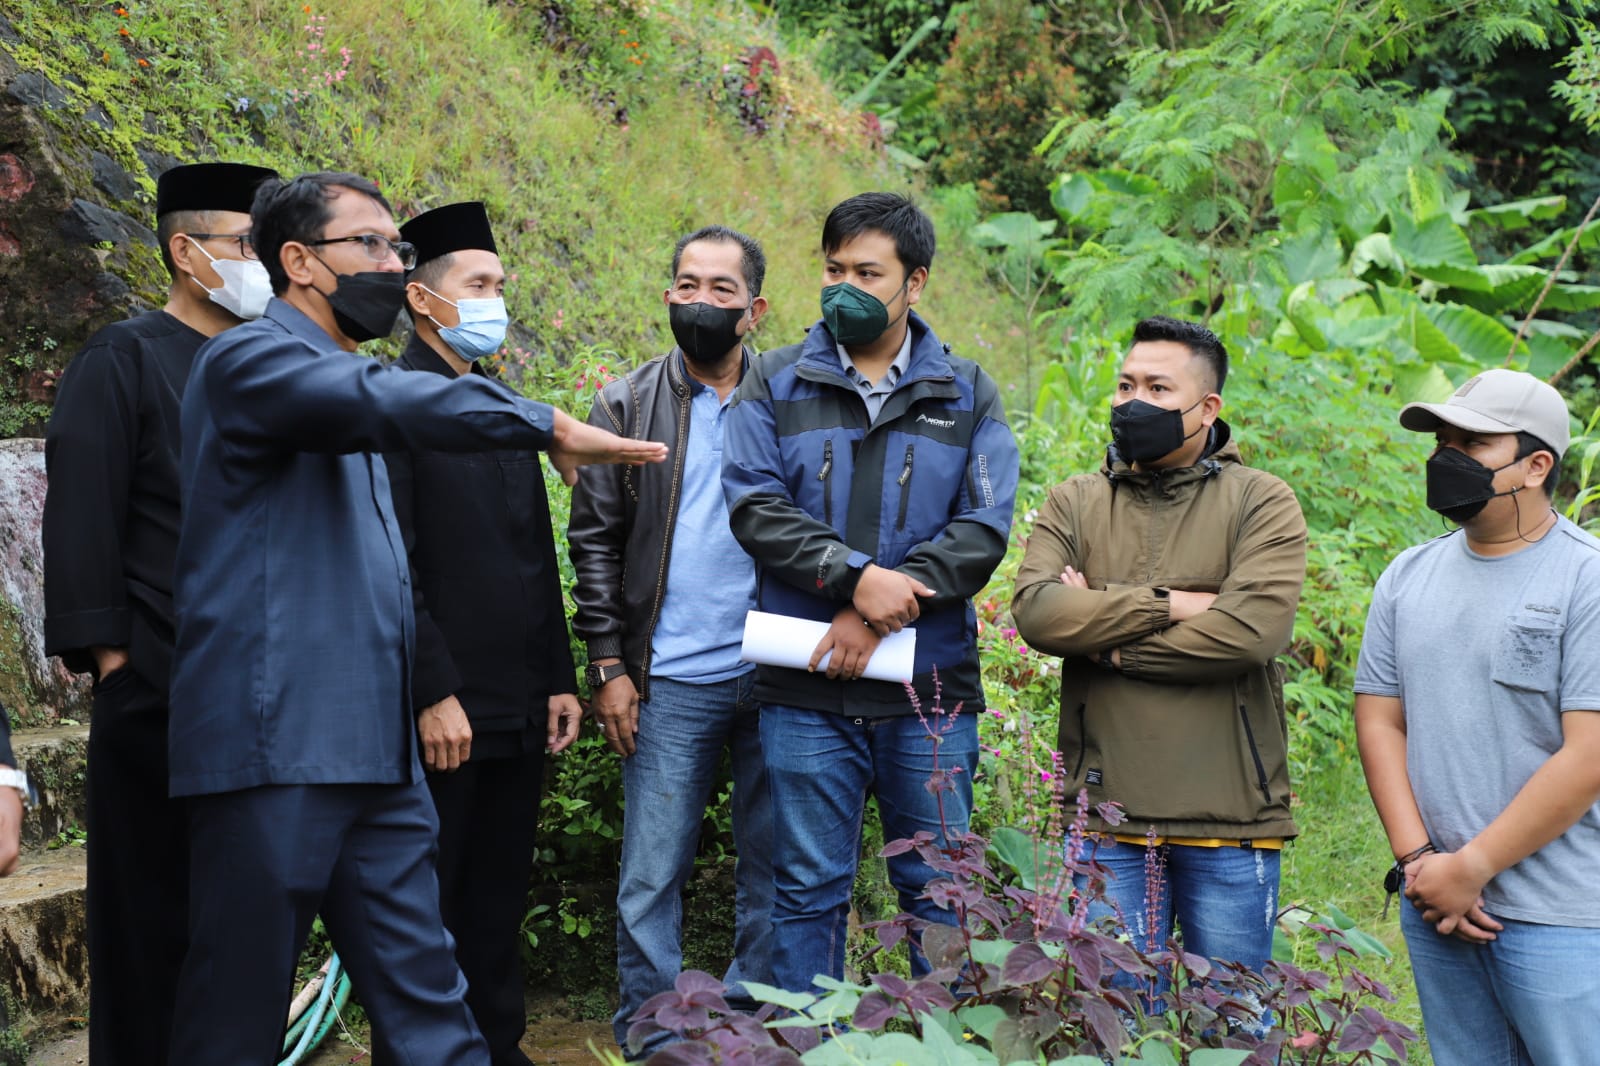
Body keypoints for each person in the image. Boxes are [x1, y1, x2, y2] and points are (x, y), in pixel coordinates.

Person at [164, 171, 666, 1066]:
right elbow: (384, 401)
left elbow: (389, 576)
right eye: (372, 245)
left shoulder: (343, 382)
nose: (394, 267)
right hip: (274, 745)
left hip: (375, 755)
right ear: (299, 262)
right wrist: (540, 422)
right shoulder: (249, 363)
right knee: (234, 1012)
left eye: (399, 249)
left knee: (430, 998)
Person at [721, 192, 1019, 992]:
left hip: (930, 694)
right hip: (805, 685)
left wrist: (879, 606)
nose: (843, 285)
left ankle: (938, 1047)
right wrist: (854, 580)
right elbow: (754, 507)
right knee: (807, 891)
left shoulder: (967, 393)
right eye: (832, 268)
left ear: (914, 282)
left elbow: (982, 530)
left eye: (867, 271)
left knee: (942, 896)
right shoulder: (774, 382)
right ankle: (802, 1049)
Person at [41, 160, 278, 1066]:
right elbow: (83, 520)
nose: (265, 265)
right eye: (247, 245)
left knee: (237, 936)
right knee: (149, 934)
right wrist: (116, 663)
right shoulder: (124, 358)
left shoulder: (262, 364)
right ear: (186, 252)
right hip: (159, 693)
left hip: (260, 698)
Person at [1011, 315, 1306, 978]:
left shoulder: (1262, 501)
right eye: (1124, 383)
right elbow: (1038, 613)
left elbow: (1250, 631)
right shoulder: (1075, 502)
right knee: (1104, 1021)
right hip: (1104, 815)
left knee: (1231, 1026)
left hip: (1230, 818)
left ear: (1208, 409)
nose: (1132, 401)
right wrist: (1172, 603)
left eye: (1156, 387)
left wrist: (1106, 640)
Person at [371, 201, 584, 1066]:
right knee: (429, 902)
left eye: (501, 284)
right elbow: (393, 567)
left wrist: (558, 677)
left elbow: (535, 556)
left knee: (499, 893)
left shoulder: (500, 403)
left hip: (516, 702)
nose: (499, 299)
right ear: (424, 301)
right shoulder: (387, 405)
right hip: (444, 706)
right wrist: (430, 691)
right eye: (481, 285)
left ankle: (498, 1044)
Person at [568, 224, 775, 1055]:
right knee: (651, 875)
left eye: (721, 290)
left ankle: (759, 1030)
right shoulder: (624, 404)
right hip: (670, 679)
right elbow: (594, 544)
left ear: (754, 310)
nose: (700, 303)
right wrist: (610, 665)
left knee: (775, 868)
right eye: (686, 285)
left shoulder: (789, 399)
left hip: (776, 673)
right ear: (668, 294)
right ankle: (653, 1039)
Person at [1354, 368, 1600, 1066]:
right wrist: (1419, 863)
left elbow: (1589, 755)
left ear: (1535, 465)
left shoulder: (1587, 579)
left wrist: (1476, 865)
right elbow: (1380, 720)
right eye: (1443, 440)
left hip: (1560, 915)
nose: (1446, 458)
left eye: (1473, 443)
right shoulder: (1407, 576)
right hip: (1434, 902)